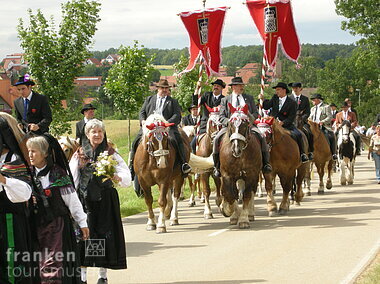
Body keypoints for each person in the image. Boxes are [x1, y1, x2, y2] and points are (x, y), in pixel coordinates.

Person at [70, 119, 131, 284]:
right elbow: (72, 178)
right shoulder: (79, 154)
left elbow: (126, 177)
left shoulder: (110, 153)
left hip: (105, 200)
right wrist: (71, 200)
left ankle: (102, 276)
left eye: (100, 132)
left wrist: (117, 177)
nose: (97, 135)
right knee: (85, 237)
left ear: (104, 134)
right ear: (87, 134)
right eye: (93, 132)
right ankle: (82, 278)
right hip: (85, 201)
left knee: (103, 237)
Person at [27, 134, 89, 283]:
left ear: (45, 153)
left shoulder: (57, 173)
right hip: (35, 227)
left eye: (34, 151)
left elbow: (72, 201)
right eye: (29, 151)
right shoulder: (27, 174)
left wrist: (83, 223)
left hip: (56, 227)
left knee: (54, 267)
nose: (30, 154)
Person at [129, 79, 191, 183]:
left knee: (177, 140)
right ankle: (131, 166)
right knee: (135, 141)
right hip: (150, 127)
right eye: (162, 88)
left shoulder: (173, 101)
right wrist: (143, 120)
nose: (164, 90)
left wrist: (166, 123)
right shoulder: (149, 99)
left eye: (166, 88)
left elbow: (177, 115)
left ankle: (184, 164)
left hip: (167, 127)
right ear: (158, 89)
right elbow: (142, 112)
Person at [0, 112, 35, 284]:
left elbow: (25, 193)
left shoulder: (12, 159)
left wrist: (3, 179)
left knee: (11, 269)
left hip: (10, 223)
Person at [213, 77, 272, 176]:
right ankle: (216, 167)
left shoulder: (249, 98)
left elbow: (256, 113)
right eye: (239, 85)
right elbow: (221, 117)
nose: (242, 87)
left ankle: (266, 164)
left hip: (247, 126)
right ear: (233, 87)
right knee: (216, 139)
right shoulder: (225, 100)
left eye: (242, 85)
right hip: (230, 127)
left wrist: (250, 120)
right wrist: (230, 123)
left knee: (261, 137)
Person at [263, 82, 309, 163]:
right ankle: (263, 155)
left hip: (286, 125)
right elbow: (266, 106)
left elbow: (291, 117)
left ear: (284, 90)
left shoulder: (292, 102)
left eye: (278, 90)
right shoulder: (274, 98)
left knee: (298, 134)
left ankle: (302, 154)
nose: (276, 91)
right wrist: (263, 99)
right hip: (273, 124)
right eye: (276, 90)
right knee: (263, 134)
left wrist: (283, 123)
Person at [191, 79, 225, 151]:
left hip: (219, 126)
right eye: (214, 85)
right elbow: (195, 101)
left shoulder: (224, 99)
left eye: (218, 86)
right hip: (205, 125)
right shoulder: (207, 95)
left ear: (222, 88)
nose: (215, 87)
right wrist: (197, 88)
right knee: (193, 144)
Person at [309, 94, 338, 161]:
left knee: (331, 135)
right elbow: (310, 117)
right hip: (313, 126)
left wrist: (322, 122)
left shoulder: (326, 107)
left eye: (313, 100)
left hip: (323, 126)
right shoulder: (312, 108)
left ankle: (334, 153)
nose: (312, 101)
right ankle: (308, 152)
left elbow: (330, 117)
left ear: (317, 100)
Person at [289, 82, 314, 160]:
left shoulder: (305, 99)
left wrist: (302, 118)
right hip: (291, 121)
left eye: (296, 88)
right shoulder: (289, 98)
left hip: (302, 121)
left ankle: (310, 152)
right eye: (293, 88)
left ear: (300, 89)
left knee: (310, 133)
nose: (295, 90)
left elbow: (308, 112)